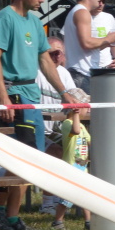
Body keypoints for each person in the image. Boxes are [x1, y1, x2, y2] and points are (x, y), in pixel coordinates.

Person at [0, 0, 77, 230]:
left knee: (32, 158)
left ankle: (7, 214)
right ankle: (3, 214)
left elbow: (45, 61)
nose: (41, 0)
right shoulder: (5, 17)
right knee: (26, 157)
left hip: (32, 94)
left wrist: (64, 93)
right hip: (15, 93)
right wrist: (3, 95)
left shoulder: (36, 22)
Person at [35, 37, 76, 215]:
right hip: (39, 129)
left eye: (61, 53)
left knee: (79, 150)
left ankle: (68, 200)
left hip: (58, 128)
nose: (57, 56)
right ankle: (48, 204)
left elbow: (75, 96)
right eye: (53, 52)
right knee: (56, 153)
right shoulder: (36, 72)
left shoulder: (64, 73)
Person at [62, 0, 115, 92]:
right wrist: (108, 39)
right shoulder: (82, 12)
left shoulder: (77, 11)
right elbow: (86, 43)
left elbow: (84, 47)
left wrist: (107, 44)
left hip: (80, 73)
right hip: (81, 74)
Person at [51, 106, 91, 230]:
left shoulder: (82, 126)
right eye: (85, 108)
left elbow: (89, 141)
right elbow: (76, 131)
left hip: (82, 166)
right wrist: (75, 114)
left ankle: (88, 221)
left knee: (86, 196)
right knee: (67, 198)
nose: (88, 111)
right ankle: (58, 221)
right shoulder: (67, 124)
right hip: (71, 166)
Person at [91, 0, 115, 69]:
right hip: (88, 68)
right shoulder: (81, 16)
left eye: (103, 1)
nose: (101, 4)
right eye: (98, 1)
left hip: (107, 66)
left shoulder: (109, 17)